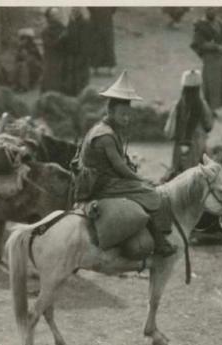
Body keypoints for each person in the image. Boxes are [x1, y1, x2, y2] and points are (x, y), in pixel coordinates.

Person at [73, 70, 176, 257]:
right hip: (99, 183)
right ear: (110, 111)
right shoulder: (105, 135)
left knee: (144, 190)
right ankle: (160, 241)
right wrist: (141, 180)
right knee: (151, 194)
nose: (126, 118)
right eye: (122, 114)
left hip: (103, 178)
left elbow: (120, 162)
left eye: (128, 114)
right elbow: (119, 166)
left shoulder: (108, 129)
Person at [163, 69, 214, 180]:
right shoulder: (202, 105)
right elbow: (209, 125)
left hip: (179, 147)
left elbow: (168, 131)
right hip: (197, 146)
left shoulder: (177, 105)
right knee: (199, 176)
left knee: (177, 176)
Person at [190, 7, 222, 111]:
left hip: (221, 57)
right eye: (210, 9)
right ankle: (211, 108)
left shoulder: (219, 23)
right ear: (206, 11)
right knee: (211, 82)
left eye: (214, 9)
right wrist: (215, 47)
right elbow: (199, 43)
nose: (212, 12)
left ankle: (220, 106)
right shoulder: (201, 25)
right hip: (210, 58)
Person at [63, 8, 91, 96]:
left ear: (79, 13)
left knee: (81, 73)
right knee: (72, 73)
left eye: (75, 11)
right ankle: (73, 92)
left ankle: (81, 92)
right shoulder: (71, 23)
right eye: (73, 11)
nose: (73, 13)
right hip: (72, 52)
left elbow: (85, 40)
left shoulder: (84, 23)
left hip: (81, 53)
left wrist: (84, 54)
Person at [41, 7, 68, 93]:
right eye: (54, 15)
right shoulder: (46, 31)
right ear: (49, 17)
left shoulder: (63, 28)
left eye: (57, 14)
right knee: (50, 81)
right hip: (51, 59)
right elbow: (49, 44)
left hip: (63, 58)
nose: (57, 16)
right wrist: (61, 38)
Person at [87, 7, 117, 76]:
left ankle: (111, 67)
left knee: (108, 43)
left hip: (107, 18)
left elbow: (114, 8)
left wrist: (108, 11)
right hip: (95, 19)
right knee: (95, 43)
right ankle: (94, 66)